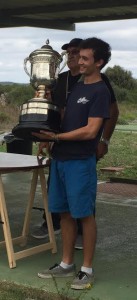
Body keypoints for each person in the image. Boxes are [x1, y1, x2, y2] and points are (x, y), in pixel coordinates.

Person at [32, 37, 111, 290]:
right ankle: (67, 264)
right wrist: (45, 133)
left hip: (80, 162)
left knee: (84, 216)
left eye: (85, 58)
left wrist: (56, 137)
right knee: (64, 213)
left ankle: (86, 269)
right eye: (78, 57)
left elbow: (90, 131)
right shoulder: (76, 86)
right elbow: (64, 119)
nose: (78, 61)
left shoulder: (100, 91)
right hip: (60, 159)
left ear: (99, 62)